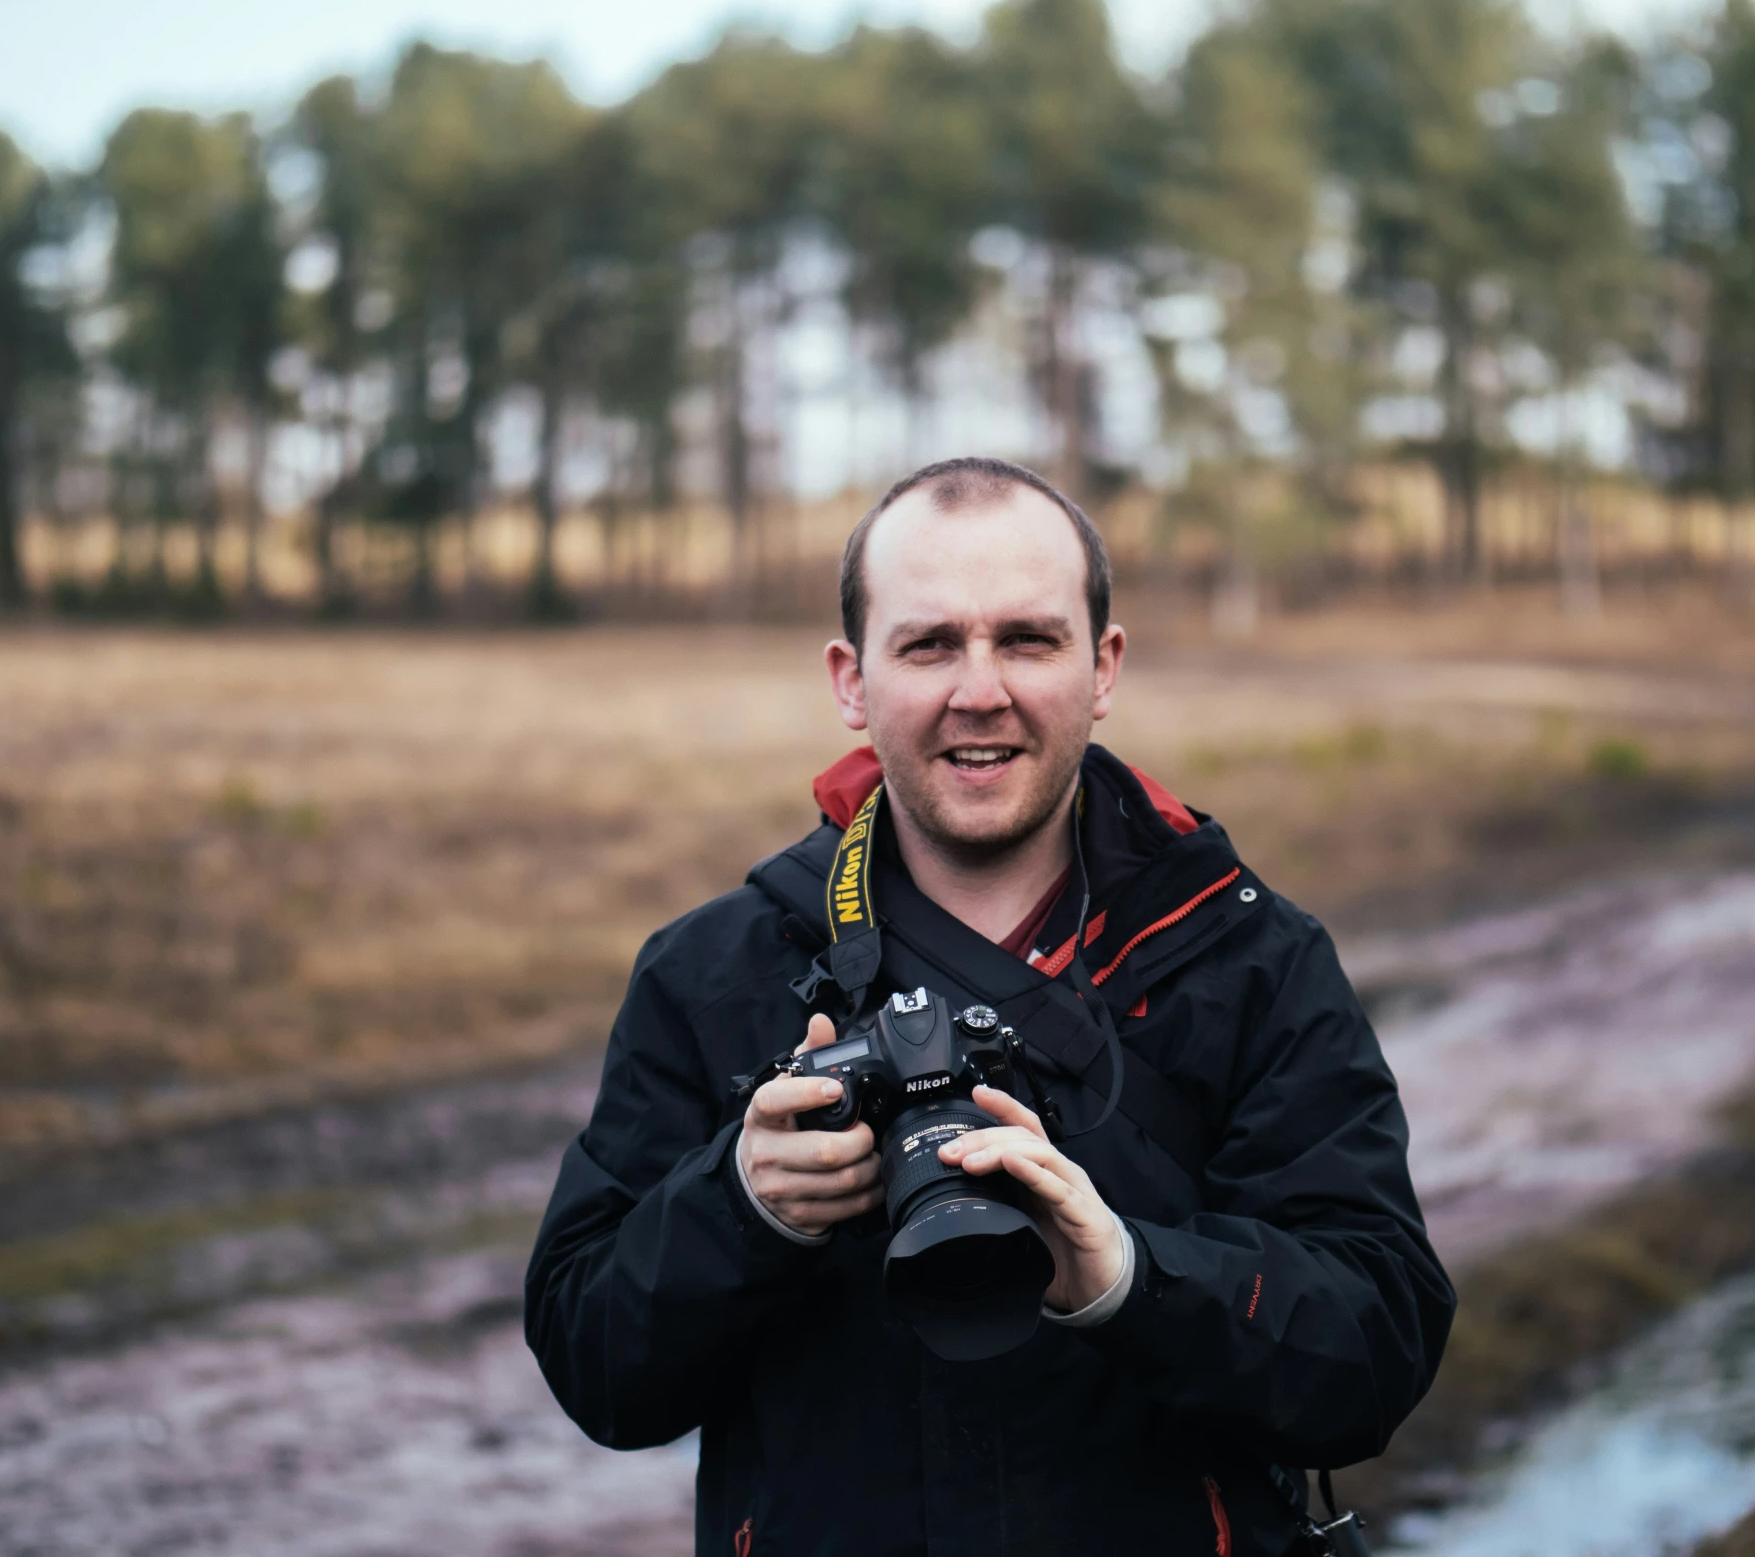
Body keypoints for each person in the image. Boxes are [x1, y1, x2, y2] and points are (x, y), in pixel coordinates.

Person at [525, 458, 1452, 1557]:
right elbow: (597, 1372)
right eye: (928, 644)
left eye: (1026, 639)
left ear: (1101, 666)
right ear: (850, 679)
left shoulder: (1243, 957)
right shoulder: (714, 973)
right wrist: (742, 1203)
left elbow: (1373, 1349)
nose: (979, 691)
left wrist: (1125, 1278)